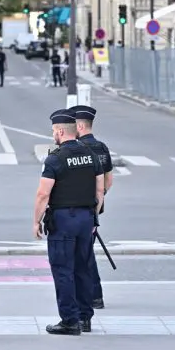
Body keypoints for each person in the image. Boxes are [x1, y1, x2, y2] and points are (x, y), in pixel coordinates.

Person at [33, 108, 104, 335]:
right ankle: (85, 318)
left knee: (63, 270)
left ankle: (69, 320)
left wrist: (36, 221)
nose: (53, 134)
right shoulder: (91, 155)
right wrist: (93, 214)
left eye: (54, 131)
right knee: (83, 268)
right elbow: (100, 190)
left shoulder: (55, 158)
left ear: (61, 131)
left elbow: (43, 194)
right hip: (86, 218)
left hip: (64, 219)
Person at [71, 105, 113, 309]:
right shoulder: (102, 148)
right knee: (86, 251)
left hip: (77, 208)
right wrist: (99, 201)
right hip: (95, 207)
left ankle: (91, 296)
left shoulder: (77, 149)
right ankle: (95, 295)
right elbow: (108, 181)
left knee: (81, 255)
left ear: (79, 125)